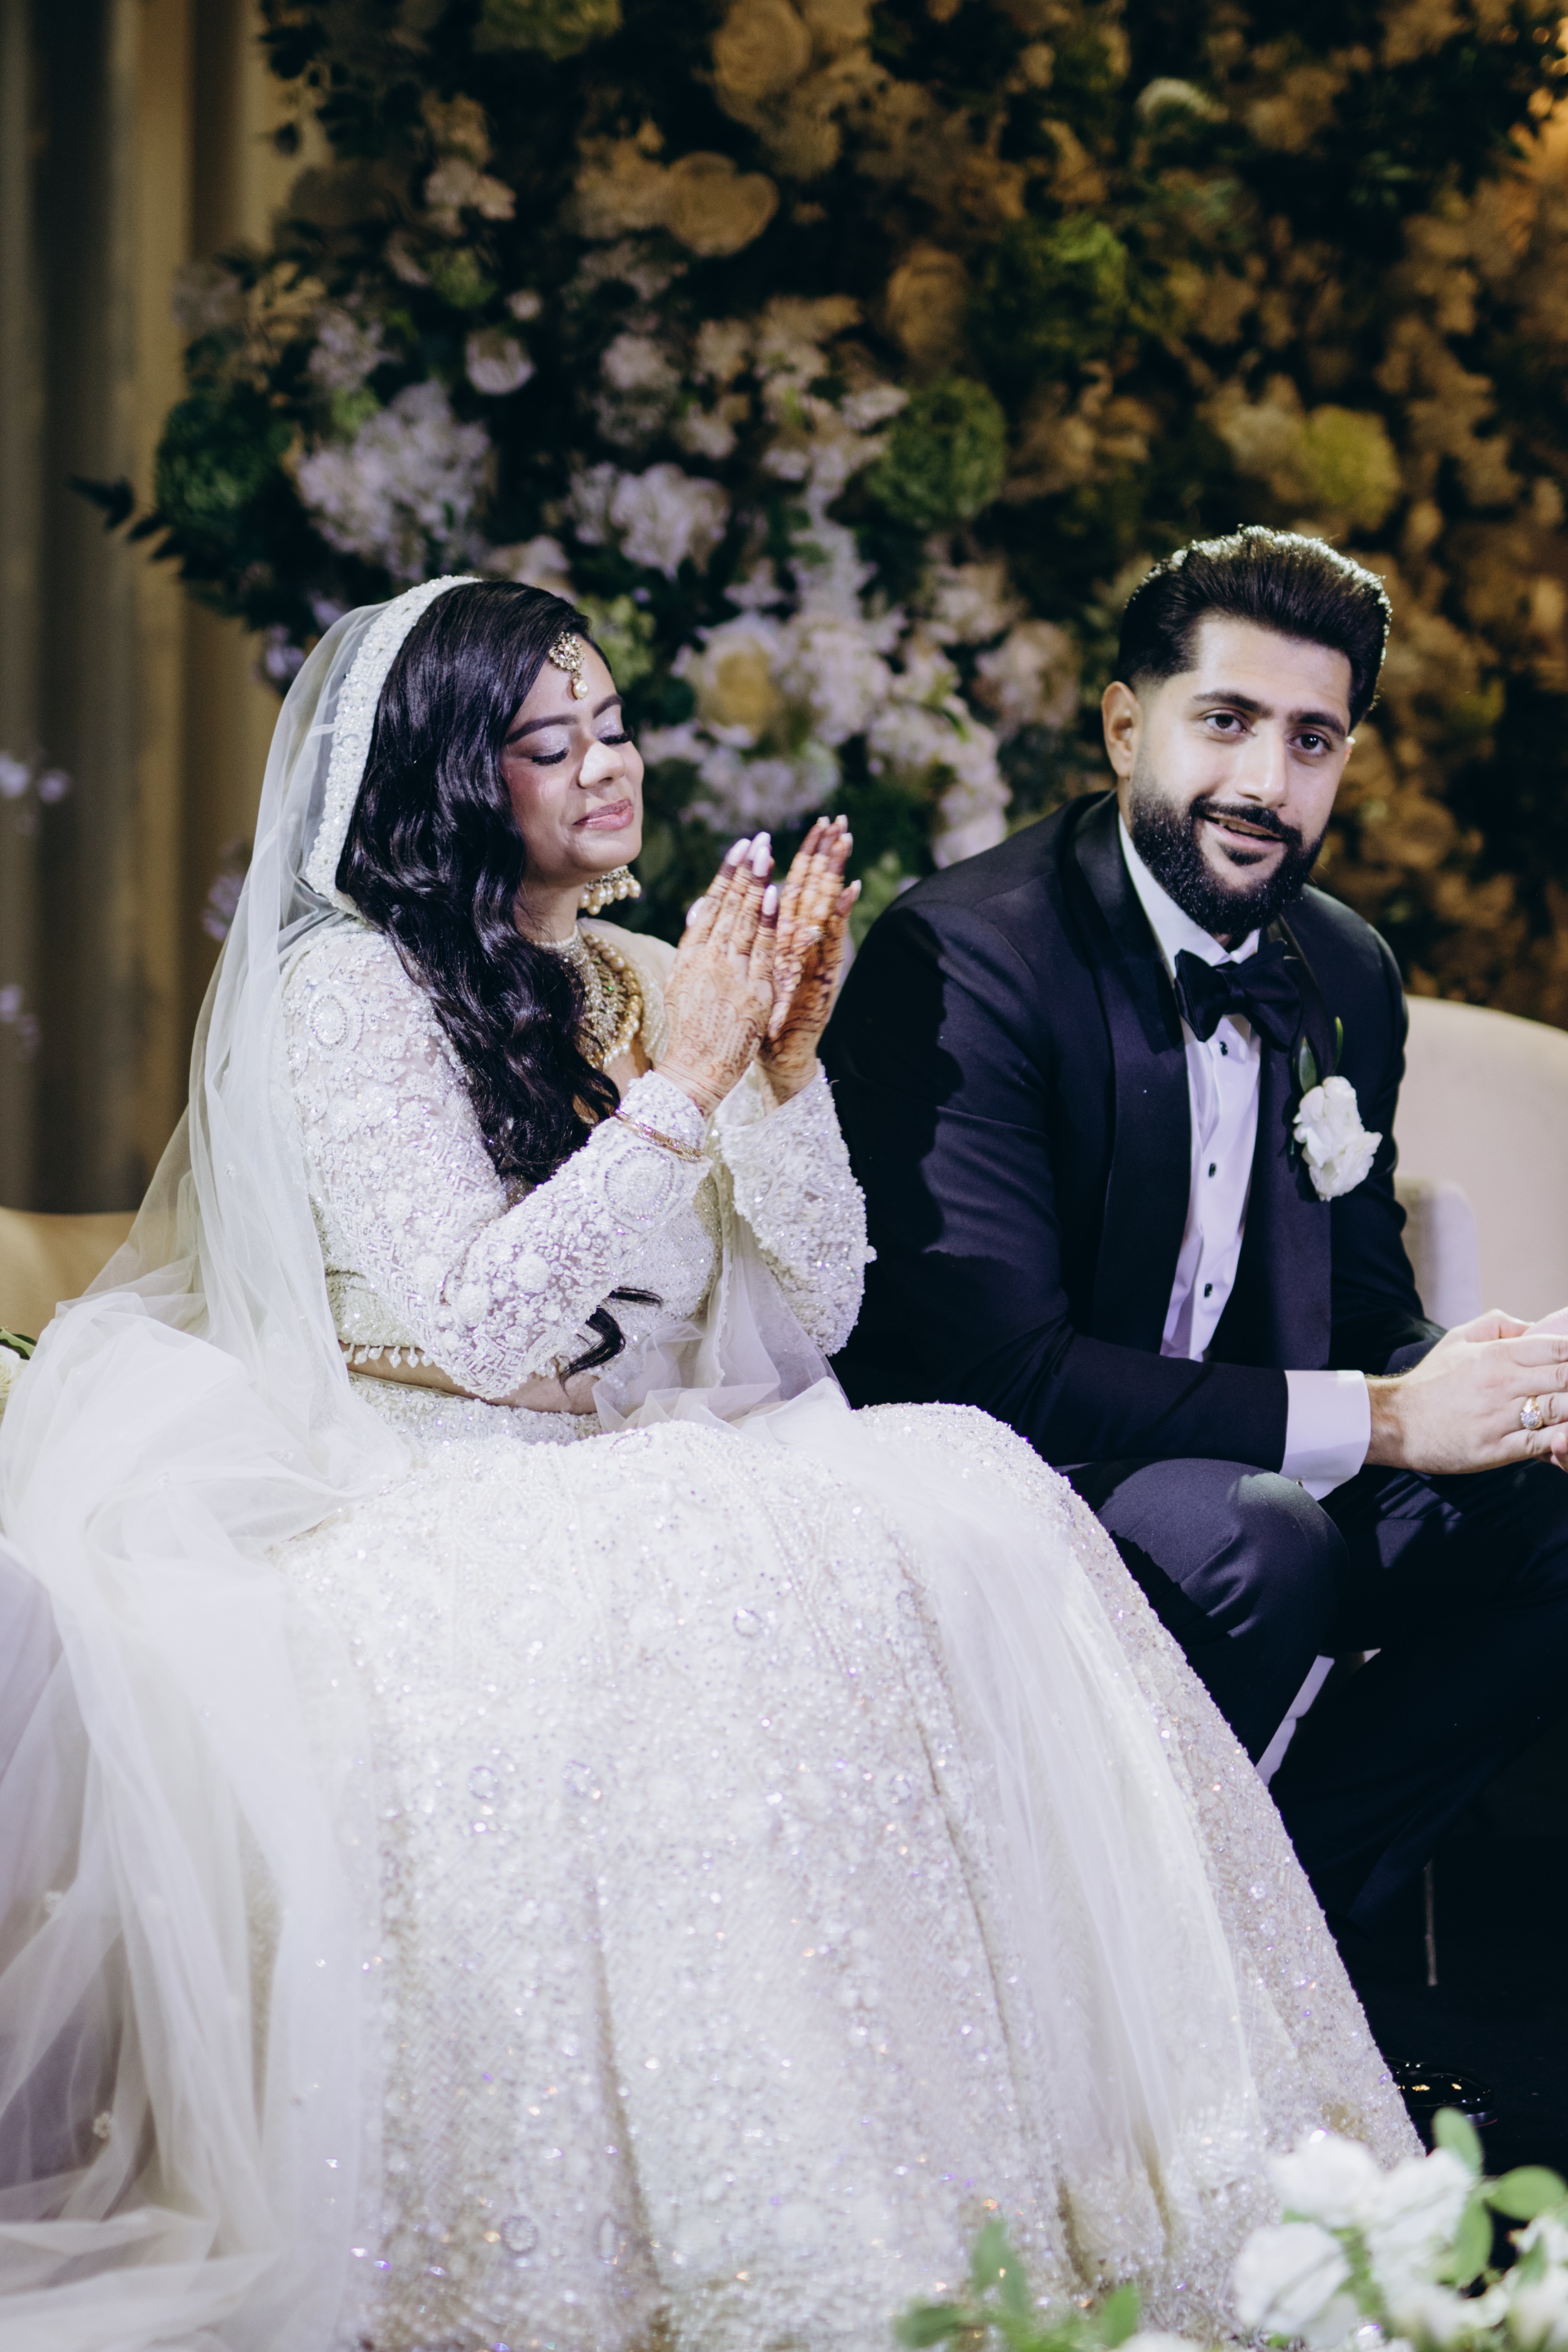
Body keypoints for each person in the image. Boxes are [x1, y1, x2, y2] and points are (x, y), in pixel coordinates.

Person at [0, 576, 1413, 2352]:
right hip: (430, 1484)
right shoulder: (348, 990)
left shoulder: (651, 974)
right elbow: (486, 1323)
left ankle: (1065, 2177)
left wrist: (782, 1074)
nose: (609, 766)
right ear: (449, 777)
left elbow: (819, 1307)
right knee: (711, 1576)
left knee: (966, 1491)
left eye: (614, 726)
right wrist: (677, 1094)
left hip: (660, 1454)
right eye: (550, 743)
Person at [824, 525, 1568, 1973]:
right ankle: (1100, 1958)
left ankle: (1280, 1932)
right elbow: (1003, 1376)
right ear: (1125, 725)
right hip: (1003, 1475)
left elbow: (1364, 1303)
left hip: (1241, 1453)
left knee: (1543, 1522)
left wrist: (1502, 1395)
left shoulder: (1343, 967)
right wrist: (1390, 1419)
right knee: (1262, 1537)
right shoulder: (968, 956)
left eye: (1312, 741)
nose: (1267, 783)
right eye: (1225, 721)